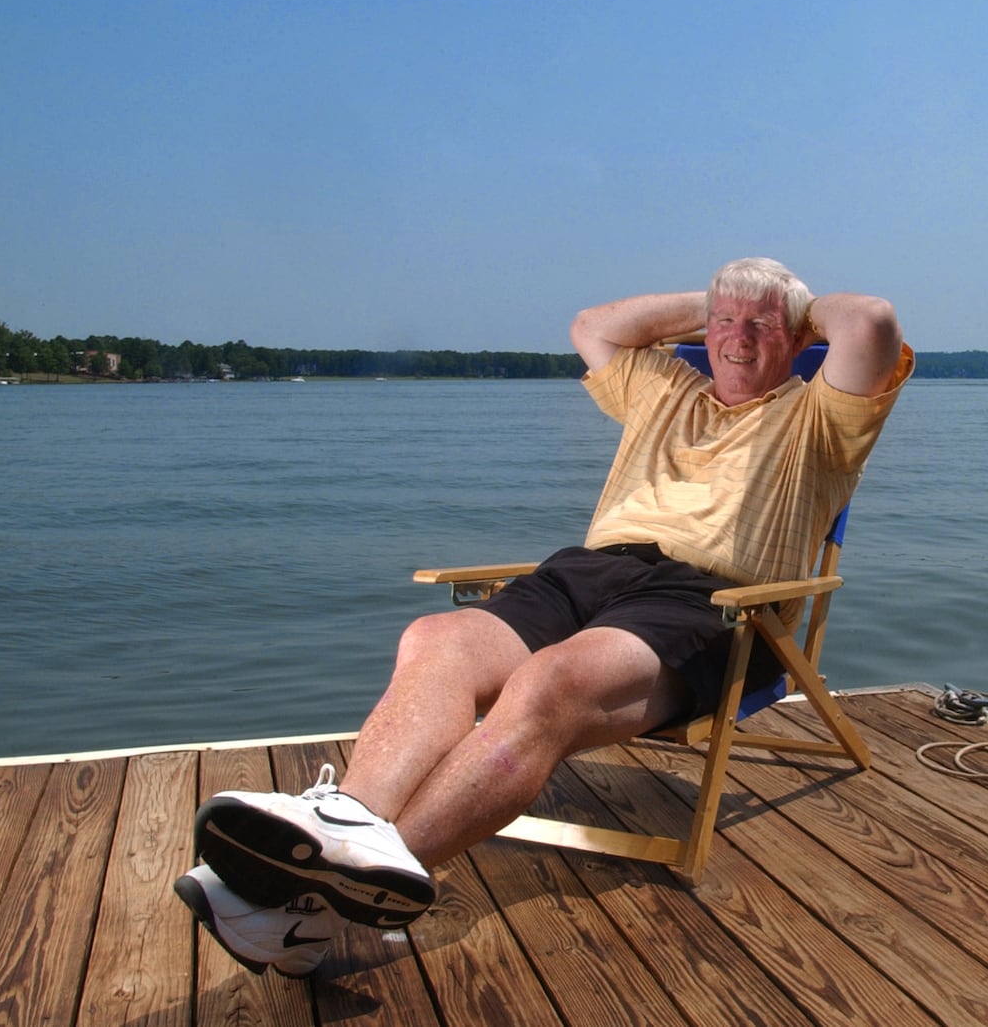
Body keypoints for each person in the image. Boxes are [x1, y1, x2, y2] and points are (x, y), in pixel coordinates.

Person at [173, 257, 914, 976]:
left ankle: (311, 904)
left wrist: (783, 309)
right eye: (724, 322)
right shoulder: (663, 384)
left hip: (713, 602)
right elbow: (593, 325)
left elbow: (871, 321)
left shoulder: (822, 417)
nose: (737, 337)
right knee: (436, 638)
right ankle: (346, 830)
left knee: (547, 685)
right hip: (591, 570)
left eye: (761, 326)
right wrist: (719, 302)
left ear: (796, 340)